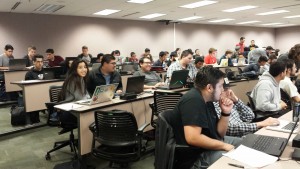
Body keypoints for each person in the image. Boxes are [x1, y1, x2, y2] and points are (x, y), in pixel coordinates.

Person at [171, 66, 241, 167]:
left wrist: (225, 113)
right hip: (195, 157)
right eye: (220, 86)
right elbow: (193, 138)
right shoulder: (193, 100)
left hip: (206, 147)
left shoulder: (207, 100)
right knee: (235, 159)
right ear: (209, 88)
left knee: (243, 143)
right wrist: (224, 146)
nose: (222, 90)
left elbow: (220, 134)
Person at [213, 88, 279, 137]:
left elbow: (250, 116)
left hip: (249, 133)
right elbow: (230, 129)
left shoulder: (228, 102)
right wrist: (260, 124)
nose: (229, 92)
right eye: (225, 89)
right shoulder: (214, 107)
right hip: (239, 137)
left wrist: (236, 100)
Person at [59, 59, 90, 126]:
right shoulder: (72, 80)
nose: (84, 69)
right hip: (69, 112)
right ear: (75, 69)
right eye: (80, 67)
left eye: (85, 67)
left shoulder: (81, 78)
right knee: (91, 117)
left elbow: (86, 94)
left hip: (76, 108)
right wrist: (89, 101)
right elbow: (79, 98)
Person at [24, 54, 45, 124]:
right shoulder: (29, 74)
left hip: (45, 92)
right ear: (34, 62)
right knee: (35, 120)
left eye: (41, 62)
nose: (40, 63)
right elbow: (28, 89)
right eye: (38, 62)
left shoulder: (46, 71)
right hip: (34, 96)